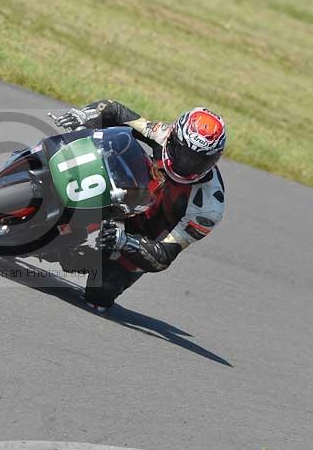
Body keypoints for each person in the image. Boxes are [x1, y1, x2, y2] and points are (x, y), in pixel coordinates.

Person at [52, 100, 227, 312]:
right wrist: (84, 115)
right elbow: (114, 109)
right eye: (182, 152)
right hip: (124, 192)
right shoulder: (162, 133)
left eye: (197, 159)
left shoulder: (210, 206)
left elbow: (164, 256)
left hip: (145, 233)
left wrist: (125, 241)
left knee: (100, 294)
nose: (186, 164)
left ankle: (91, 258)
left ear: (214, 159)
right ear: (173, 137)